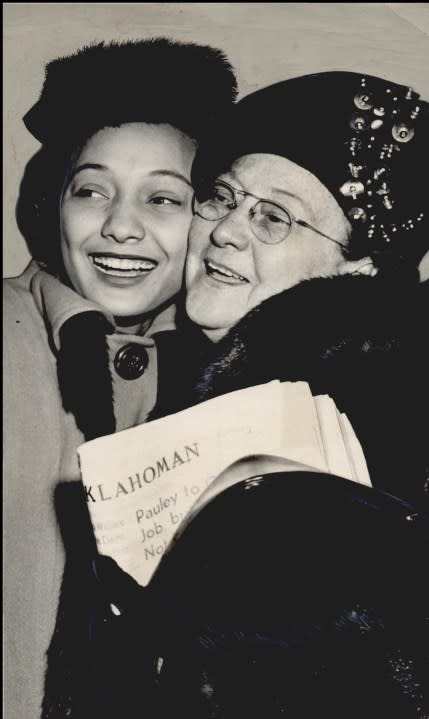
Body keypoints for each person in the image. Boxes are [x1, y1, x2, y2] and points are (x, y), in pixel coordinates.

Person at [3, 38, 237, 719]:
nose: (120, 227)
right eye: (91, 190)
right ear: (55, 203)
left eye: (163, 198)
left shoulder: (244, 378)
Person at [155, 70, 429, 511]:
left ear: (359, 272)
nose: (225, 230)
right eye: (224, 197)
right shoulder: (162, 371)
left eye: (274, 217)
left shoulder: (370, 433)